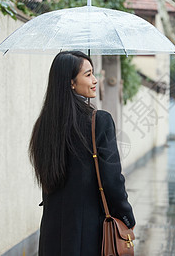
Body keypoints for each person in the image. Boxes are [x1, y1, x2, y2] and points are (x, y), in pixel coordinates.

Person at [29, 51, 135, 255]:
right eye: (88, 75)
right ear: (71, 82)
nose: (95, 80)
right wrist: (126, 216)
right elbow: (112, 180)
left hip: (52, 232)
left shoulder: (44, 124)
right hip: (88, 233)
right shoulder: (98, 121)